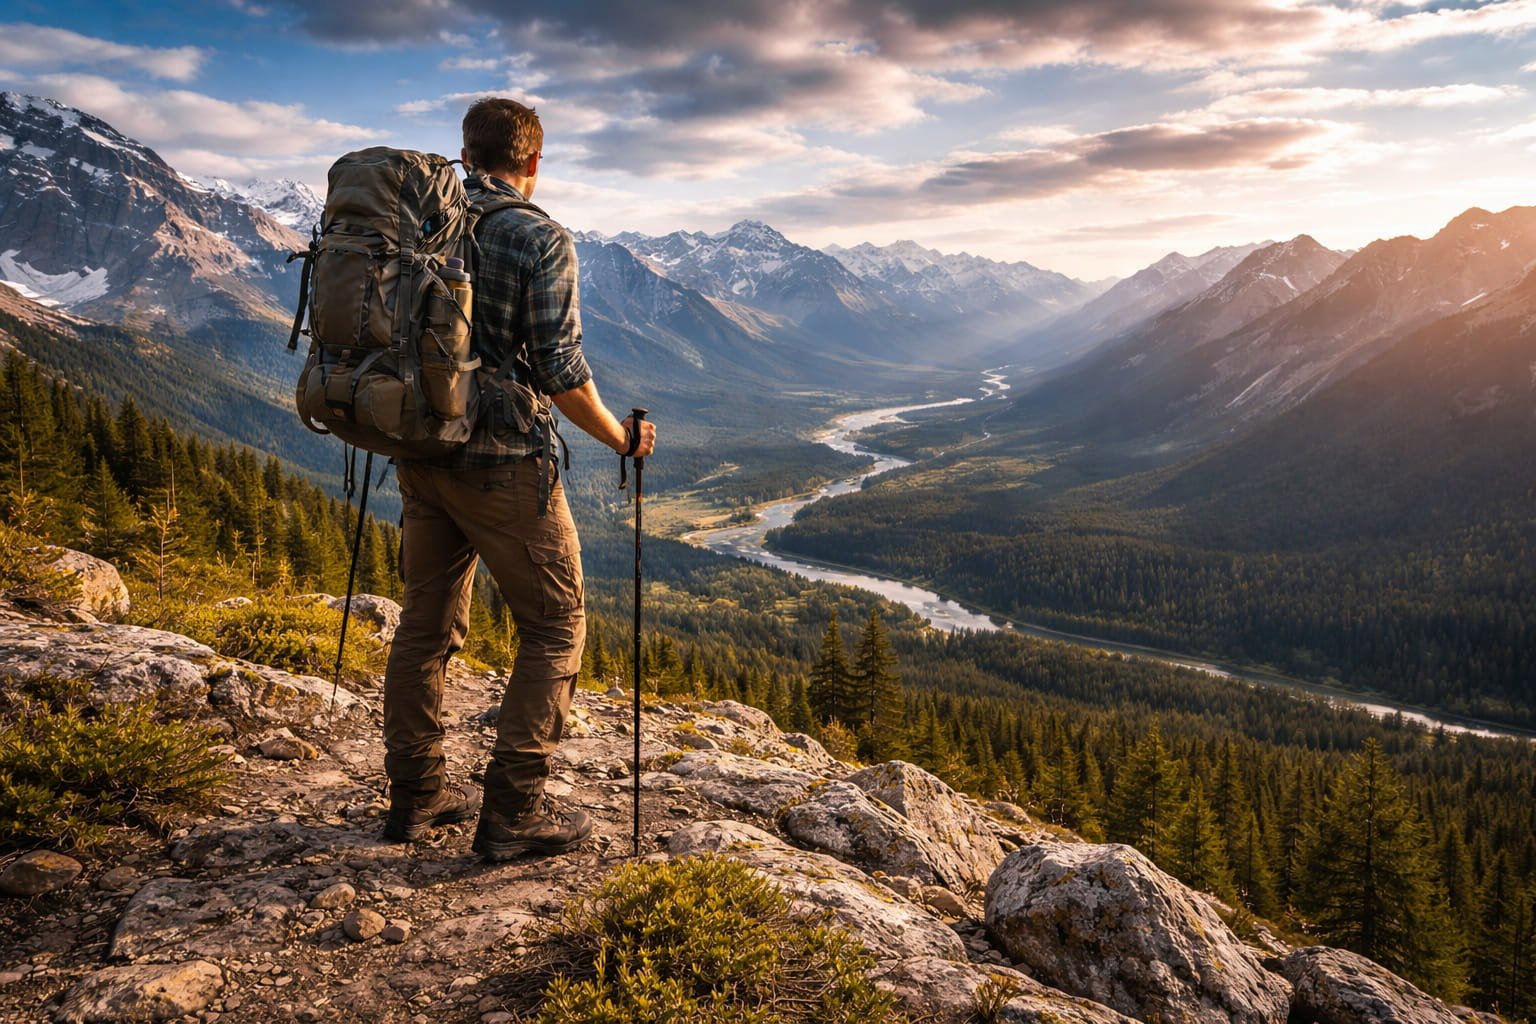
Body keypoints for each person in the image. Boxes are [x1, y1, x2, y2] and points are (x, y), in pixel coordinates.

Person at [380, 97, 656, 861]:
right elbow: (563, 373)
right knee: (556, 625)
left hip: (419, 448)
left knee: (425, 623)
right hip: (502, 464)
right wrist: (621, 439)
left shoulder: (413, 222)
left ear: (465, 153)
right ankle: (512, 815)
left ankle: (416, 797)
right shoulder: (537, 235)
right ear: (533, 161)